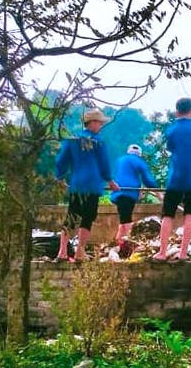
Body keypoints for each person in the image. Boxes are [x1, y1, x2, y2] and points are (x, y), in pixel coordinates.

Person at [55, 108, 119, 261]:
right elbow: (104, 164)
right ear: (92, 123)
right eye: (100, 122)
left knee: (71, 217)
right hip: (92, 184)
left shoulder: (72, 140)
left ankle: (62, 253)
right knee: (87, 218)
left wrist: (60, 177)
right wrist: (110, 181)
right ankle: (79, 252)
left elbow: (61, 161)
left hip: (76, 184)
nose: (101, 126)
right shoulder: (98, 141)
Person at [155, 97, 191, 261]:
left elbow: (170, 148)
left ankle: (162, 252)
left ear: (177, 111)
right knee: (190, 214)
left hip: (176, 178)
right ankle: (182, 253)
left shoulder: (171, 130)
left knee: (167, 214)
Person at [111, 144, 159, 245]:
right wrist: (158, 192)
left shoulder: (120, 160)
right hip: (128, 193)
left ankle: (118, 242)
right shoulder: (139, 162)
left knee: (123, 219)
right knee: (127, 220)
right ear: (139, 154)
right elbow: (148, 180)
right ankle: (132, 243)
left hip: (118, 193)